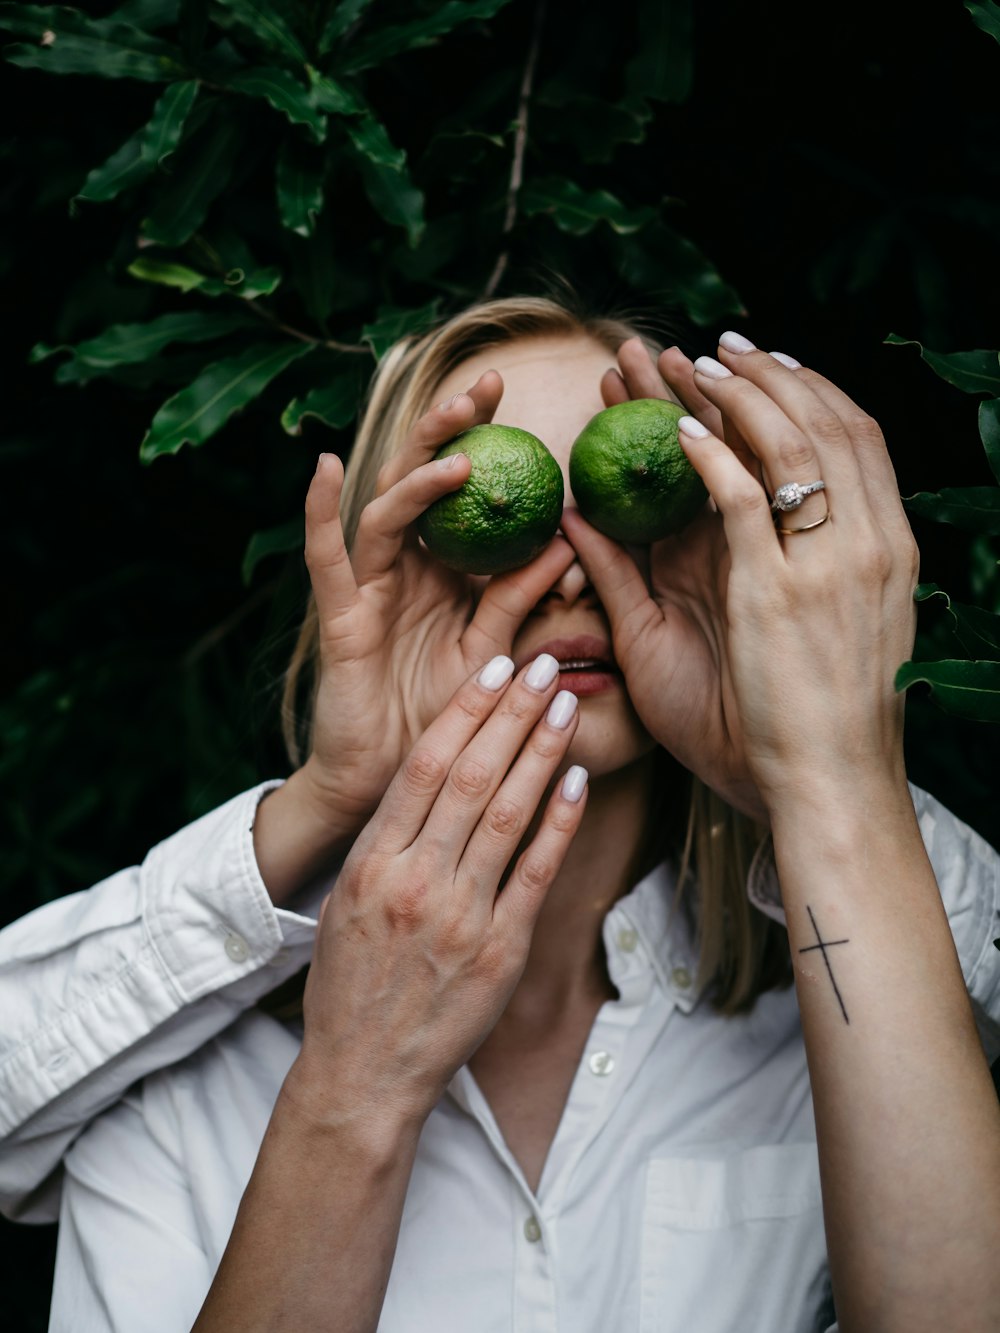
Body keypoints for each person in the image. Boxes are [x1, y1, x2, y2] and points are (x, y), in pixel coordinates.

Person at [2, 297, 999, 1332]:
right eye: (498, 497)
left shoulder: (835, 1041)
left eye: (621, 505)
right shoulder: (179, 1088)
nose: (570, 569)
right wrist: (351, 1065)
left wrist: (820, 772)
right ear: (384, 562)